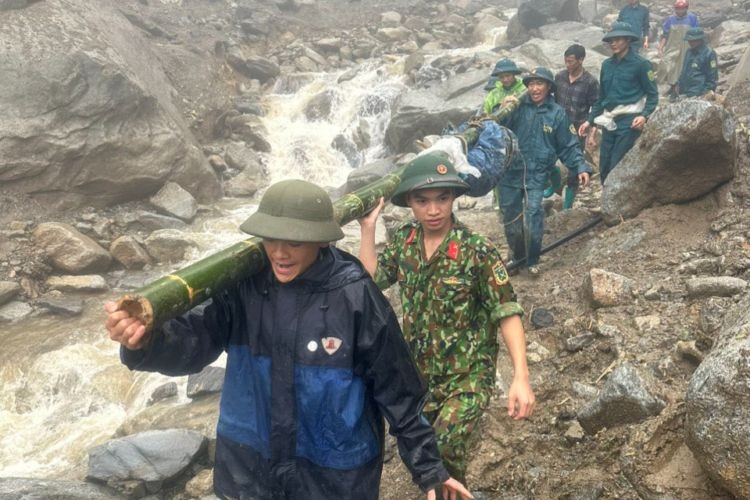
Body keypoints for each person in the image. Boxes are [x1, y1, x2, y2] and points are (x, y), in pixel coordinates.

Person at [104, 179, 473, 500]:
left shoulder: (354, 296)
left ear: (320, 241)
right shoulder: (242, 286)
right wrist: (145, 342)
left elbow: (400, 391)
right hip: (253, 462)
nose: (280, 253)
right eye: (271, 240)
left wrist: (430, 470)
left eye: (295, 242)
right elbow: (193, 344)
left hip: (332, 473)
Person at [357, 152, 535, 486]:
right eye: (422, 201)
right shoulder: (405, 242)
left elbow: (507, 312)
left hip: (467, 376)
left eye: (442, 198)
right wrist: (368, 229)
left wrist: (520, 377)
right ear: (409, 202)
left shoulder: (476, 250)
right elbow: (372, 279)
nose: (434, 210)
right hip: (420, 376)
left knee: (445, 446)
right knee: (426, 455)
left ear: (453, 197)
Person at [497, 67, 591, 275]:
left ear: (549, 87)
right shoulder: (517, 107)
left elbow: (568, 145)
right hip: (510, 172)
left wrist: (580, 167)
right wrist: (503, 107)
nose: (534, 88)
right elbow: (495, 127)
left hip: (537, 174)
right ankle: (516, 256)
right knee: (511, 220)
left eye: (539, 83)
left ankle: (532, 261)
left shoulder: (556, 113)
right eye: (530, 84)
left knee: (533, 216)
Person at [579, 22, 659, 183]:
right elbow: (602, 98)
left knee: (617, 164)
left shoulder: (641, 64)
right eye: (611, 40)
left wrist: (644, 116)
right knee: (604, 166)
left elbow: (653, 94)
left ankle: (617, 204)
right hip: (609, 121)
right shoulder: (606, 65)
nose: (613, 43)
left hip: (629, 121)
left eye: (618, 39)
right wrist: (589, 120)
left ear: (628, 40)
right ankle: (608, 201)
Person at [554, 44, 599, 209]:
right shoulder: (559, 77)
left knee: (574, 165)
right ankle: (553, 183)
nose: (568, 65)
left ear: (581, 60)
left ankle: (568, 205)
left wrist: (592, 133)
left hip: (577, 129)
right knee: (549, 158)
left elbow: (596, 107)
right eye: (566, 61)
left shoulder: (590, 82)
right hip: (556, 127)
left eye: (571, 61)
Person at [658, 0, 699, 96]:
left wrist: (697, 48)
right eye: (678, 9)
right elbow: (665, 35)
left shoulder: (692, 18)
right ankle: (670, 87)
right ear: (675, 9)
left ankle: (680, 89)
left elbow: (697, 34)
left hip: (687, 46)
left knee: (683, 67)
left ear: (686, 8)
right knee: (667, 65)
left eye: (682, 8)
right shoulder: (670, 19)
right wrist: (660, 48)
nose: (680, 11)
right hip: (672, 46)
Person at [676, 27, 718, 98]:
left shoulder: (709, 54)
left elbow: (712, 78)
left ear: (700, 40)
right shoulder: (688, 52)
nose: (690, 43)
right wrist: (678, 84)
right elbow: (684, 70)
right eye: (689, 40)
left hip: (698, 92)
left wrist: (705, 93)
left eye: (693, 40)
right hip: (685, 91)